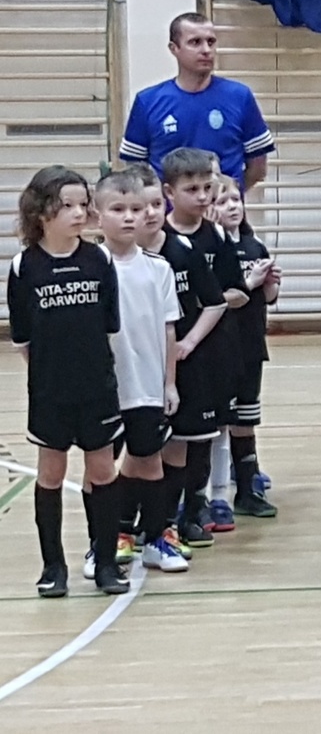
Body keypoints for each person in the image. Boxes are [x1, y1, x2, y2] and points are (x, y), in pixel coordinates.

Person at [9, 166, 127, 597]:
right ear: (41, 212)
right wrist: (50, 376)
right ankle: (53, 567)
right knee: (51, 473)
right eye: (67, 206)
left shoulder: (99, 260)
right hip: (51, 394)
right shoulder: (24, 266)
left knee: (102, 470)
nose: (80, 213)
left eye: (83, 204)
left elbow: (110, 325)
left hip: (97, 388)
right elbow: (23, 339)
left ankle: (106, 561)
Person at [94, 172, 188, 577]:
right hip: (102, 388)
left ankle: (154, 539)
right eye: (118, 209)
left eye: (137, 208)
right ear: (98, 215)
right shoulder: (91, 266)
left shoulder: (158, 269)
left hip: (146, 385)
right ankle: (102, 544)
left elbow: (169, 330)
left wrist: (169, 383)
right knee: (100, 469)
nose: (130, 217)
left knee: (150, 463)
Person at [160, 148, 249, 546]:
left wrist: (207, 300)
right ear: (169, 192)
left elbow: (238, 292)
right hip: (166, 351)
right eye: (191, 189)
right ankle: (157, 512)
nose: (202, 196)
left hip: (210, 351)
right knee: (166, 438)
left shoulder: (217, 236)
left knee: (202, 436)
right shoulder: (159, 239)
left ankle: (196, 509)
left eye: (206, 188)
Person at [134, 165, 220, 562]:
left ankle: (165, 523)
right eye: (141, 206)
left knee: (179, 448)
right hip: (134, 371)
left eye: (156, 204)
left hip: (181, 368)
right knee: (135, 453)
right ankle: (125, 527)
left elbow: (214, 302)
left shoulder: (181, 252)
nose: (150, 213)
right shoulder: (111, 260)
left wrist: (188, 342)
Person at [119, 12, 275, 190]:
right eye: (195, 42)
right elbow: (135, 171)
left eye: (211, 42)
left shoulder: (240, 96)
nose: (206, 50)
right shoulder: (147, 102)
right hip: (167, 208)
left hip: (223, 207)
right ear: (174, 48)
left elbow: (258, 168)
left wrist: (229, 194)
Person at [213, 174, 280, 521]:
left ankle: (247, 489)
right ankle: (210, 495)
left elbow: (267, 298)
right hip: (220, 348)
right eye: (222, 201)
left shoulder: (255, 246)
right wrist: (249, 283)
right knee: (219, 423)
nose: (232, 207)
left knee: (246, 420)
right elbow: (217, 298)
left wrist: (269, 285)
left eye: (236, 200)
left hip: (251, 346)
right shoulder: (212, 250)